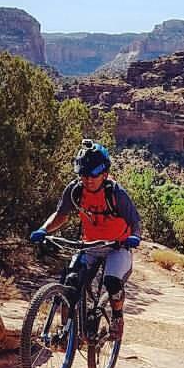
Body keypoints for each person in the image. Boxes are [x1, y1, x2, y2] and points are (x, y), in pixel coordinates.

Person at [30, 140, 141, 339]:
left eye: (93, 175)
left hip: (117, 246)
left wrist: (134, 237)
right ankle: (68, 333)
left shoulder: (116, 193)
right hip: (89, 245)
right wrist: (44, 229)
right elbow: (61, 214)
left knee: (112, 282)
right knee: (71, 282)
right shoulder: (75, 190)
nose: (87, 180)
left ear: (104, 174)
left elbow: (135, 221)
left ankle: (117, 317)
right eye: (83, 174)